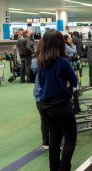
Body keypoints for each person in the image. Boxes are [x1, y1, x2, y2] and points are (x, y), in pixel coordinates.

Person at [37, 30, 78, 171]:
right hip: (60, 105)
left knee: (54, 139)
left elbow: (42, 83)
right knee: (70, 138)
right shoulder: (62, 61)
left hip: (45, 105)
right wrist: (65, 84)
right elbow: (74, 80)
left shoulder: (41, 61)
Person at [31, 40, 49, 150]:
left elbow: (34, 72)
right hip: (46, 94)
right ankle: (51, 142)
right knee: (51, 120)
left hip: (39, 94)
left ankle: (46, 142)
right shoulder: (53, 60)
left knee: (44, 119)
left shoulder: (35, 60)